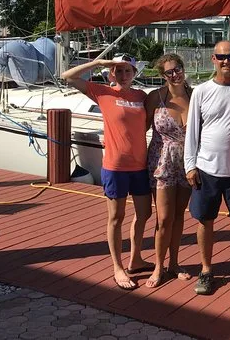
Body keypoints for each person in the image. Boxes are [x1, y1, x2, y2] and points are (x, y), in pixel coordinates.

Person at [61, 54, 153, 291]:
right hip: (115, 167)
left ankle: (136, 259)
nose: (123, 75)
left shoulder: (141, 97)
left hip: (140, 166)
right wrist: (98, 63)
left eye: (128, 71)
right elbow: (67, 77)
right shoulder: (102, 93)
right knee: (116, 217)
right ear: (112, 73)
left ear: (134, 73)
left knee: (144, 213)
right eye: (118, 71)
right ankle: (118, 267)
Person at [184, 40, 230, 296]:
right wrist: (190, 166)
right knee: (205, 221)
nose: (227, 61)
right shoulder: (201, 91)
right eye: (222, 57)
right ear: (213, 59)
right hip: (206, 169)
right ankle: (206, 270)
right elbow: (193, 130)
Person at [144, 54, 192, 287]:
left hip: (187, 162)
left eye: (178, 69)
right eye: (169, 72)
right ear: (162, 75)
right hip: (162, 161)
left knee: (179, 215)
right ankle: (158, 266)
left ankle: (174, 263)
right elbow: (139, 127)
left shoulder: (195, 95)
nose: (175, 74)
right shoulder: (156, 97)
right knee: (164, 218)